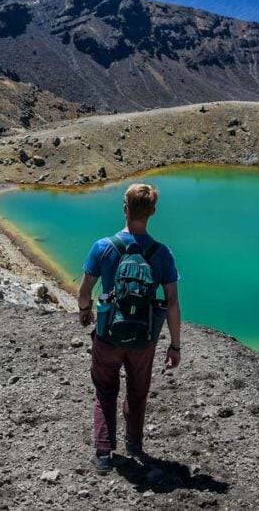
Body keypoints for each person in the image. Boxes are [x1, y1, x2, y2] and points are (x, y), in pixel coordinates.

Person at [76, 183, 181, 474]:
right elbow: (172, 302)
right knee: (138, 390)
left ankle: (103, 454)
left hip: (108, 334)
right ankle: (134, 444)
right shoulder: (162, 254)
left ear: (125, 208)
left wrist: (85, 312)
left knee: (105, 390)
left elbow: (85, 290)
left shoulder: (102, 247)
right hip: (143, 339)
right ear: (152, 212)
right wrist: (175, 345)